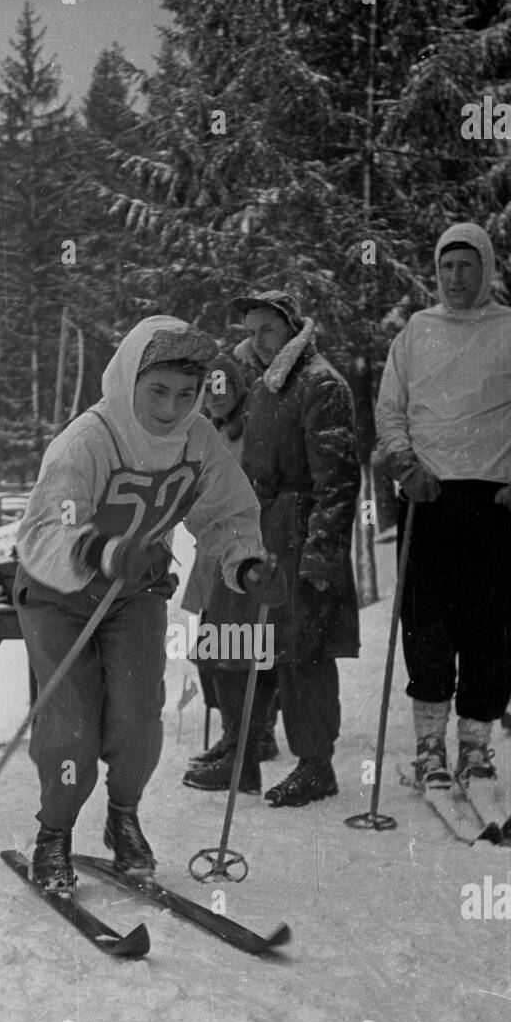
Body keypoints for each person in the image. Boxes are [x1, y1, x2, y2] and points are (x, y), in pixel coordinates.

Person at [14, 315, 283, 890]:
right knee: (73, 726)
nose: (170, 407)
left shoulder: (197, 439)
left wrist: (245, 560)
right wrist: (102, 550)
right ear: (128, 380)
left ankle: (123, 817)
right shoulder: (88, 440)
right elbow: (42, 532)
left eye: (186, 394)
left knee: (138, 717)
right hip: (59, 593)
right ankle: (54, 834)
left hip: (135, 593)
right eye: (157, 391)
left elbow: (229, 510)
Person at [375, 223, 511, 788]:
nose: (456, 278)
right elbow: (391, 411)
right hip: (430, 498)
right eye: (446, 267)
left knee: (489, 624)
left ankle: (476, 744)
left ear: (485, 269)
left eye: (466, 266)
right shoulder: (417, 332)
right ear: (436, 273)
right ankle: (429, 744)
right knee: (428, 622)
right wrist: (407, 467)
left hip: (495, 499)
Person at [183, 289, 361, 806]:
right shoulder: (264, 385)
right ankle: (244, 756)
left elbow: (339, 480)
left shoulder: (321, 385)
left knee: (303, 652)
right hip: (259, 531)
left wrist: (322, 553)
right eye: (252, 330)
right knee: (241, 643)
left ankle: (315, 765)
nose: (257, 340)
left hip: (302, 529)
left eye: (267, 330)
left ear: (291, 329)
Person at [181, 352, 278, 768]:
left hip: (238, 549)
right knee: (209, 651)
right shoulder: (209, 435)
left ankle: (255, 734)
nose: (216, 396)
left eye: (223, 387)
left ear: (238, 390)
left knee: (239, 648)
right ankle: (232, 734)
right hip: (210, 554)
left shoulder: (249, 432)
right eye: (210, 388)